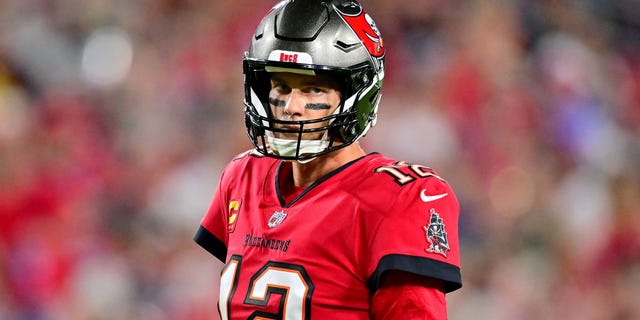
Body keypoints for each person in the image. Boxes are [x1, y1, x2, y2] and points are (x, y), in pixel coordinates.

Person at [194, 0, 462, 318]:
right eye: (281, 85)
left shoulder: (400, 198)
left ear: (356, 95)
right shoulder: (242, 175)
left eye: (313, 90)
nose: (291, 105)